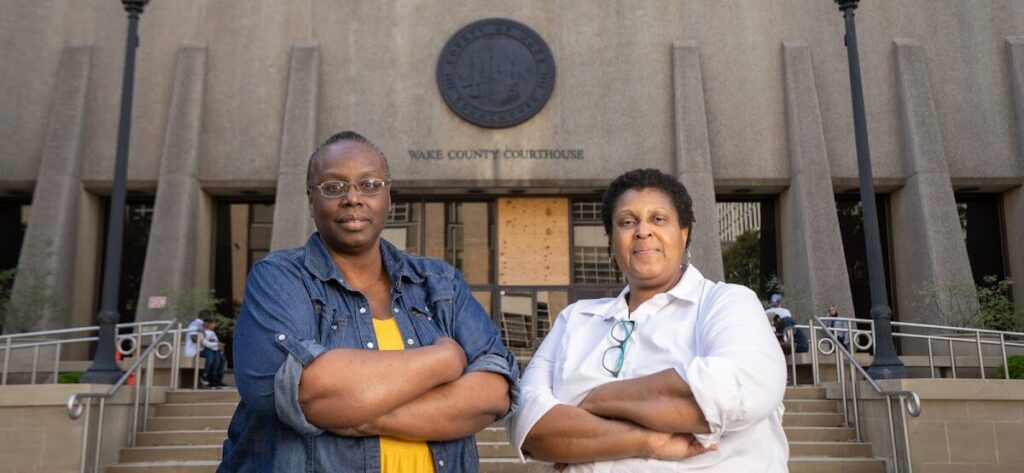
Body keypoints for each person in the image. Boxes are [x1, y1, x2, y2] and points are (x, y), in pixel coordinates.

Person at [219, 131, 518, 473]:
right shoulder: (280, 278)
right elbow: (295, 391)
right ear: (311, 201)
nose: (352, 198)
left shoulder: (439, 284)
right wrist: (444, 360)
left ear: (389, 198)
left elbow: (494, 392)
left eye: (369, 185)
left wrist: (362, 415)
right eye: (333, 187)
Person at [508, 169, 788, 472]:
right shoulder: (575, 319)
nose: (642, 231)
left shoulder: (726, 303)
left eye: (658, 219)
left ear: (684, 233)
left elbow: (734, 392)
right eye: (627, 222)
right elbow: (530, 425)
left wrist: (591, 401)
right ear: (612, 241)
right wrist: (649, 441)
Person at [184, 310, 212, 386]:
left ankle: (214, 381)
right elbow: (193, 338)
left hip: (200, 350)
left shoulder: (202, 325)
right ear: (205, 315)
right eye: (209, 316)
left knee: (219, 357)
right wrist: (206, 343)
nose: (210, 318)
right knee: (210, 354)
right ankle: (204, 376)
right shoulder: (195, 324)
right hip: (193, 351)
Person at [200, 319, 228, 388]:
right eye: (213, 323)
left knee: (222, 362)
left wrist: (220, 348)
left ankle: (218, 381)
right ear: (207, 324)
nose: (214, 325)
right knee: (214, 363)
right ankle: (211, 380)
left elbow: (215, 342)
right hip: (211, 350)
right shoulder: (203, 332)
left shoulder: (213, 333)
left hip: (217, 350)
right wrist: (217, 345)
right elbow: (205, 343)